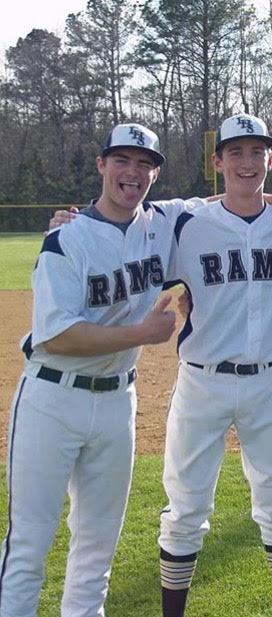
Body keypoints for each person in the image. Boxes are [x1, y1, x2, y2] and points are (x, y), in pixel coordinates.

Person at [0, 123, 178, 616]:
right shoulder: (67, 238)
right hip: (52, 400)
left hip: (118, 402)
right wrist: (141, 334)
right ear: (101, 165)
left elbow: (238, 197)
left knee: (97, 552)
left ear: (155, 173)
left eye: (144, 163)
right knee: (29, 548)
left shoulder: (165, 223)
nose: (133, 172)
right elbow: (57, 334)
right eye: (122, 160)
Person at [157, 113, 272, 617]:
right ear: (217, 161)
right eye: (235, 152)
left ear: (271, 159)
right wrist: (79, 218)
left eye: (256, 151)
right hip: (202, 381)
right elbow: (124, 219)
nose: (247, 162)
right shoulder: (187, 222)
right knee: (185, 509)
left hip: (269, 381)